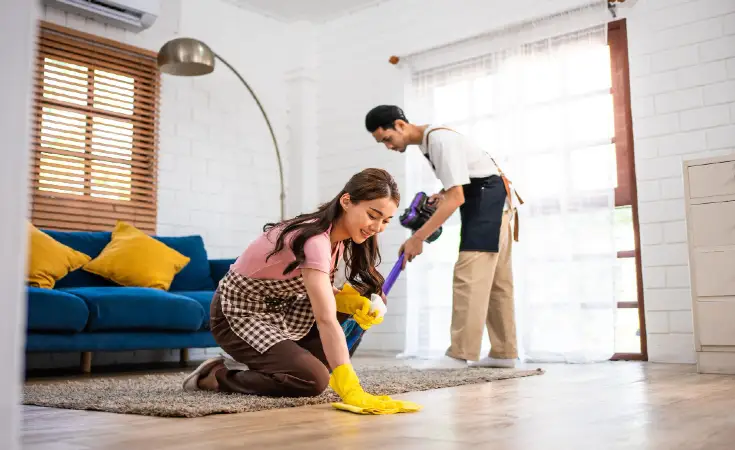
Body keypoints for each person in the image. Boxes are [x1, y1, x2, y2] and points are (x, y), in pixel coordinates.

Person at [183, 168, 421, 415]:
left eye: (385, 221)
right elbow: (325, 319)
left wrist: (353, 304)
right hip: (238, 314)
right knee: (313, 380)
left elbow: (321, 293)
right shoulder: (315, 240)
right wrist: (351, 387)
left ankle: (270, 362)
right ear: (346, 201)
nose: (378, 227)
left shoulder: (338, 239)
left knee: (349, 310)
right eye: (373, 215)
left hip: (281, 310)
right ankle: (215, 376)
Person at [365, 105, 519, 369]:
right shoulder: (432, 141)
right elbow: (458, 184)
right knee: (497, 283)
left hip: (486, 203)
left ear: (400, 125)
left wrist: (417, 239)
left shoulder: (439, 140)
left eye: (387, 139)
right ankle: (504, 353)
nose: (388, 146)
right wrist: (442, 193)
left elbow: (457, 197)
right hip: (497, 203)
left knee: (468, 278)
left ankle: (460, 354)